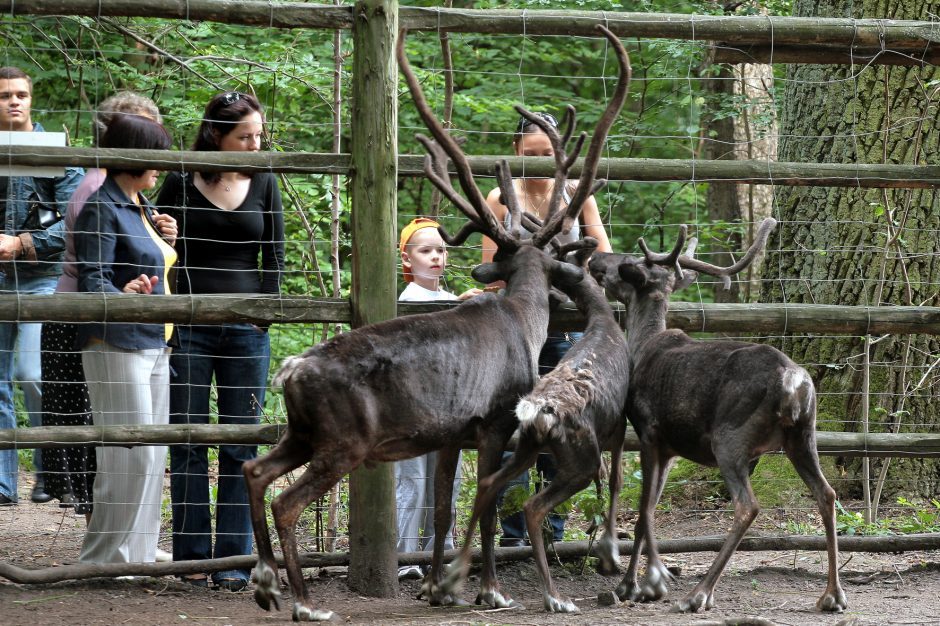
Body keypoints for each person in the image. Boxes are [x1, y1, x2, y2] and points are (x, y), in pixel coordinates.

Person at [157, 91, 285, 591]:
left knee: (239, 444)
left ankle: (233, 560)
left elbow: (273, 255)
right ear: (216, 136)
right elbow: (157, 247)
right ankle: (191, 558)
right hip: (187, 324)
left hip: (246, 331)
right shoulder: (178, 179)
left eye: (259, 136)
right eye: (244, 137)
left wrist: (264, 319)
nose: (255, 144)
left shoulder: (266, 180)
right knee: (187, 440)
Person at [482, 111, 612, 547]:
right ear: (517, 152)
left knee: (564, 420)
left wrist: (576, 275)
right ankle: (514, 532)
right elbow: (496, 269)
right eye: (531, 154)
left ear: (561, 155)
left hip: (568, 323)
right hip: (521, 327)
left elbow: (601, 252)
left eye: (547, 154)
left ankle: (551, 528)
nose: (539, 162)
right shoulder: (500, 196)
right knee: (515, 420)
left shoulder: (577, 196)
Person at [41, 92, 163, 519]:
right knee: (106, 437)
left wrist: (162, 231)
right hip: (95, 323)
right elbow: (97, 275)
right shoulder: (98, 191)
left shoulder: (135, 195)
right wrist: (121, 295)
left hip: (128, 326)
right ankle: (106, 538)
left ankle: (124, 542)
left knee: (123, 443)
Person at [74, 113, 178, 564]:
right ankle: (104, 559)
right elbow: (93, 283)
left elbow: (155, 262)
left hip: (156, 340)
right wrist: (125, 293)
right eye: (154, 156)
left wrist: (166, 236)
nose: (162, 166)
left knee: (152, 456)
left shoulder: (140, 205)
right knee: (126, 455)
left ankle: (138, 552)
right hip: (116, 344)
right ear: (132, 155)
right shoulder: (102, 206)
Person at [0, 66, 84, 506]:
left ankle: (50, 471)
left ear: (31, 100)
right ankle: (2, 483)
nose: (14, 102)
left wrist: (21, 242)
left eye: (21, 94)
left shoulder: (56, 151)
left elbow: (71, 226)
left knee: (34, 375)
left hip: (41, 280)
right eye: (4, 96)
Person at [395, 217, 480, 579]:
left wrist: (465, 305)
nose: (435, 257)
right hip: (413, 406)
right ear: (406, 259)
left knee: (447, 476)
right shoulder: (406, 299)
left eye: (441, 250)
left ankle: (439, 549)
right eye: (425, 250)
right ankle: (403, 557)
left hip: (449, 406)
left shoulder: (449, 299)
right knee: (410, 480)